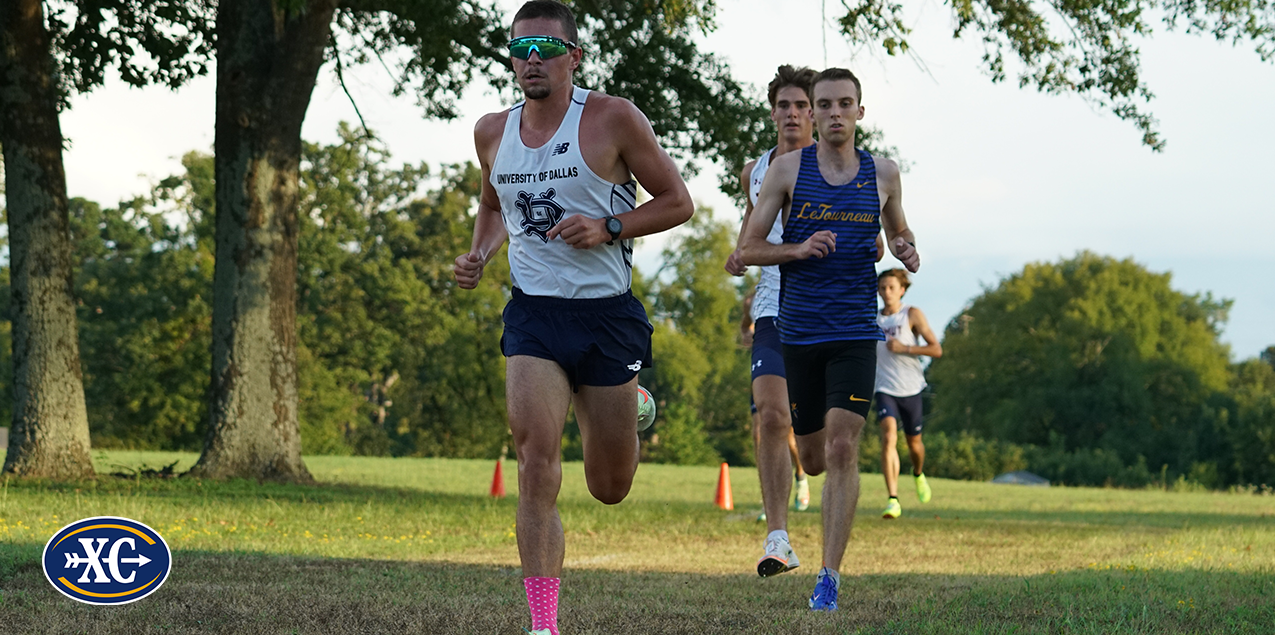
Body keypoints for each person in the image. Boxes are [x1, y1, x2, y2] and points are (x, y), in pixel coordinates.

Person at [452, 2, 692, 634]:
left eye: (546, 49)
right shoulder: (489, 132)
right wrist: (479, 252)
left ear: (573, 57)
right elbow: (495, 205)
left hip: (607, 318)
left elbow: (678, 202)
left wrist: (610, 225)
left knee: (609, 485)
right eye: (521, 48)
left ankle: (631, 401)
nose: (533, 60)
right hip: (533, 316)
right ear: (510, 58)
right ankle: (543, 624)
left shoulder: (611, 118)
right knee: (535, 462)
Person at [740, 67, 919, 612]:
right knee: (814, 457)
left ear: (860, 112)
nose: (835, 112)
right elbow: (748, 248)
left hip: (855, 332)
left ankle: (829, 577)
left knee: (844, 446)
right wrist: (796, 249)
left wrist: (907, 247)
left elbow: (898, 231)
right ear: (813, 114)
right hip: (799, 331)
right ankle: (797, 515)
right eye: (826, 104)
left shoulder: (884, 173)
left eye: (846, 103)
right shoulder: (786, 172)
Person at [724, 66, 818, 577]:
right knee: (770, 415)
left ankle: (813, 468)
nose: (792, 114)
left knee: (818, 447)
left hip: (826, 310)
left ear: (816, 112)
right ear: (773, 111)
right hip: (773, 306)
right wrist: (742, 254)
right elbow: (750, 234)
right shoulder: (754, 171)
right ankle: (778, 538)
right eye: (783, 105)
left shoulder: (837, 167)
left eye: (801, 106)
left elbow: (867, 242)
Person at [874, 268, 943, 519]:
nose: (886, 292)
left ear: (902, 290)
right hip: (884, 388)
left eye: (891, 287)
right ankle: (893, 499)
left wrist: (905, 348)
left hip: (911, 388)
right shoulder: (873, 319)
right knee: (889, 434)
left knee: (915, 444)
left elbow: (936, 349)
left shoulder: (911, 314)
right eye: (882, 288)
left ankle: (918, 472)